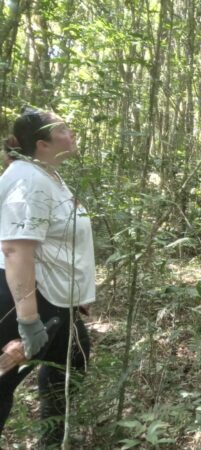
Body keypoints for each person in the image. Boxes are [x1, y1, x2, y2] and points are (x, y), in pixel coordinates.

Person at [0, 108, 95, 446]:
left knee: (74, 358)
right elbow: (15, 249)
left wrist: (76, 291)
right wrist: (28, 321)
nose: (72, 134)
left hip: (57, 297)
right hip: (24, 299)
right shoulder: (28, 179)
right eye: (64, 129)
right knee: (4, 380)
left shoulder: (48, 175)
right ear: (42, 143)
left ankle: (52, 440)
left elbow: (57, 239)